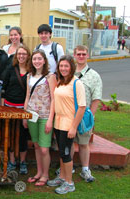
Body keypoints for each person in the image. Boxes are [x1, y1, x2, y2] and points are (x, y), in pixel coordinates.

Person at [47, 55, 86, 195]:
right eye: (61, 66)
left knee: (66, 153)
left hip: (68, 124)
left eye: (66, 66)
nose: (63, 69)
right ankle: (62, 177)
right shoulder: (61, 82)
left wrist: (74, 127)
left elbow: (82, 107)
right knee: (62, 152)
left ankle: (69, 183)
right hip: (58, 123)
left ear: (71, 67)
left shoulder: (77, 83)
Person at [24, 50, 57, 185]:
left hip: (45, 116)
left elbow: (54, 99)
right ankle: (38, 172)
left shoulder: (50, 77)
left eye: (39, 59)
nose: (36, 61)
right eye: (34, 59)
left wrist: (50, 119)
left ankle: (45, 174)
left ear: (44, 61)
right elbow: (27, 96)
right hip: (32, 115)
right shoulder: (29, 76)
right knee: (36, 145)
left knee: (44, 148)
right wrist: (25, 115)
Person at [73, 45, 102, 182]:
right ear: (74, 55)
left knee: (84, 143)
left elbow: (96, 98)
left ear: (87, 55)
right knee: (70, 143)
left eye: (83, 54)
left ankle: (85, 169)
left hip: (85, 116)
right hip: (70, 114)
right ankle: (68, 166)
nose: (81, 56)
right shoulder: (69, 72)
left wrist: (92, 117)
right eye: (78, 54)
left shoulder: (94, 75)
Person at [2, 45, 31, 174]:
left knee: (23, 136)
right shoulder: (11, 68)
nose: (21, 56)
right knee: (11, 135)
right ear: (16, 55)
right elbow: (3, 88)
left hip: (23, 108)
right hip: (9, 107)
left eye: (24, 54)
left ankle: (23, 162)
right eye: (19, 54)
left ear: (28, 56)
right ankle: (12, 161)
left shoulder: (31, 71)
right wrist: (2, 107)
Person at [0, 26, 23, 94]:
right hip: (1, 83)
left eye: (15, 35)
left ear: (20, 35)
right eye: (11, 35)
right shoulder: (3, 50)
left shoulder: (23, 52)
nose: (13, 37)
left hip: (14, 85)